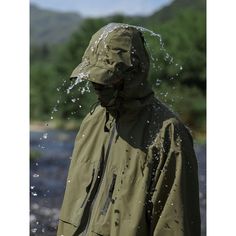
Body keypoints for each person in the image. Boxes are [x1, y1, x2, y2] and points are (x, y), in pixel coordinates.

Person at [57, 23, 201, 236]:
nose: (97, 87)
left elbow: (175, 226)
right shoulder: (92, 120)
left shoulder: (168, 134)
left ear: (133, 74)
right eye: (94, 80)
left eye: (106, 79)